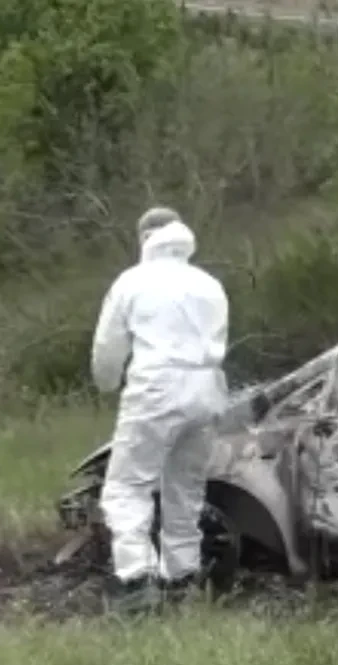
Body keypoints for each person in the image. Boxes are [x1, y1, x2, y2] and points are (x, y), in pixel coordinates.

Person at [90, 207, 229, 611]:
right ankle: (183, 576)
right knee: (184, 489)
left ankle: (135, 581)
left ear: (145, 237)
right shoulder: (209, 284)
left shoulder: (132, 282)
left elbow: (107, 348)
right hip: (207, 389)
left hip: (156, 388)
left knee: (127, 486)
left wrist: (106, 383)